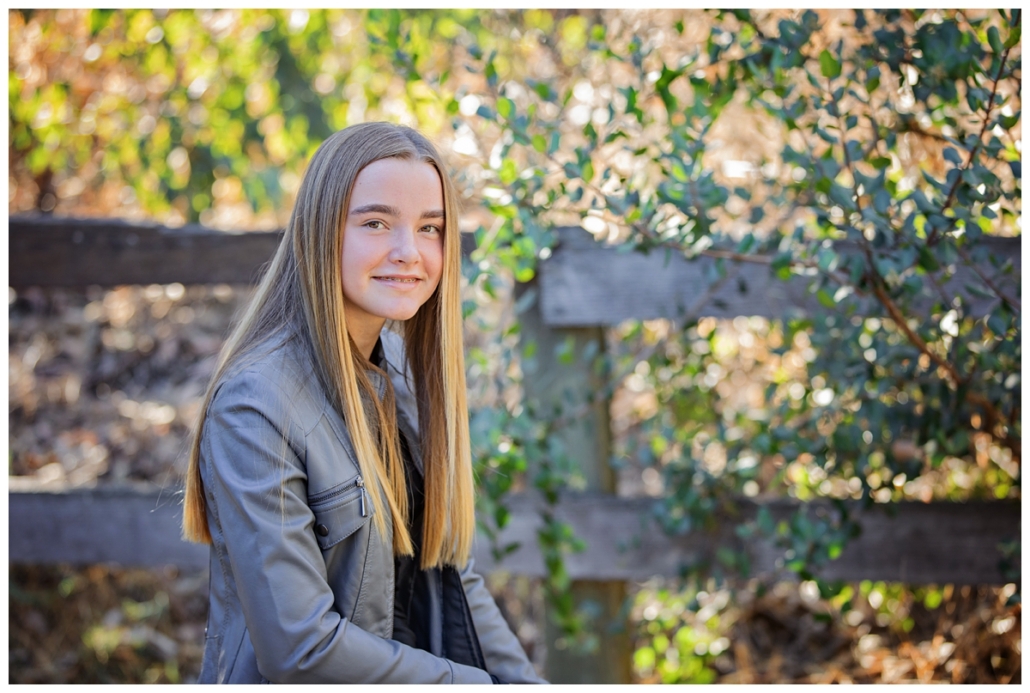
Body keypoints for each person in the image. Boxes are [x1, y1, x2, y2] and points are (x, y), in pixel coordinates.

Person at [181, 122, 546, 684]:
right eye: (376, 223)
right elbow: (301, 651)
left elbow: (450, 574)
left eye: (431, 228)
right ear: (323, 230)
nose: (409, 252)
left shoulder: (397, 376)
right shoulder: (255, 406)